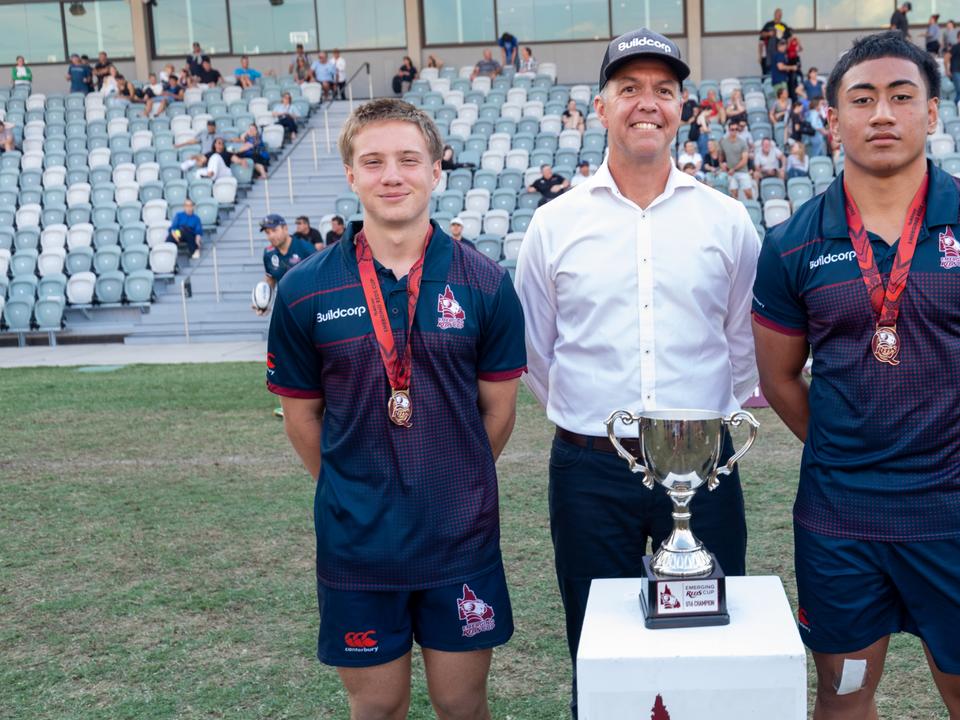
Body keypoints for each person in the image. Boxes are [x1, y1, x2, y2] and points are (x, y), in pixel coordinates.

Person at [751, 31, 960, 720]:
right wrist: (846, 447)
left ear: (933, 113)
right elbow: (782, 380)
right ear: (834, 119)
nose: (882, 113)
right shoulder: (792, 242)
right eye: (862, 99)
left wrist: (958, 445)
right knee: (845, 690)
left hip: (959, 509)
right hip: (840, 513)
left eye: (901, 96)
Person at [513, 29, 757, 717]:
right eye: (629, 89)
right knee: (599, 655)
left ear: (684, 107)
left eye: (663, 90)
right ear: (600, 108)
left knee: (710, 647)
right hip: (590, 471)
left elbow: (744, 345)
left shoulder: (727, 221)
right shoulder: (554, 225)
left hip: (704, 474)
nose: (646, 104)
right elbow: (537, 352)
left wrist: (700, 432)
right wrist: (596, 423)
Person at [267, 97, 525, 719]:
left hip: (458, 536)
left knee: (462, 703)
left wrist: (452, 475)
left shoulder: (486, 282)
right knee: (377, 708)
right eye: (373, 161)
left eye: (409, 159)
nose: (392, 175)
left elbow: (499, 412)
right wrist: (352, 489)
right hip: (358, 544)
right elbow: (302, 419)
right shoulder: (305, 289)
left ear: (437, 170)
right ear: (351, 175)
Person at [720, 123, 753, 199]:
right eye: (732, 129)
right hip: (730, 172)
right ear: (729, 130)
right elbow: (721, 155)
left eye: (736, 129)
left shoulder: (742, 142)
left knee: (748, 192)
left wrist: (733, 169)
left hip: (742, 171)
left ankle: (751, 208)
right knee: (733, 195)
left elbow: (744, 160)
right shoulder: (724, 142)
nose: (734, 131)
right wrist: (721, 164)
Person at [760, 8, 792, 77]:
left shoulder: (784, 26)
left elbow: (789, 38)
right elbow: (761, 36)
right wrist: (768, 34)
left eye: (780, 15)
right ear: (774, 15)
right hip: (770, 55)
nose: (779, 16)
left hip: (781, 55)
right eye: (778, 14)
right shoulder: (768, 24)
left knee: (781, 73)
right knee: (768, 74)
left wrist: (787, 50)